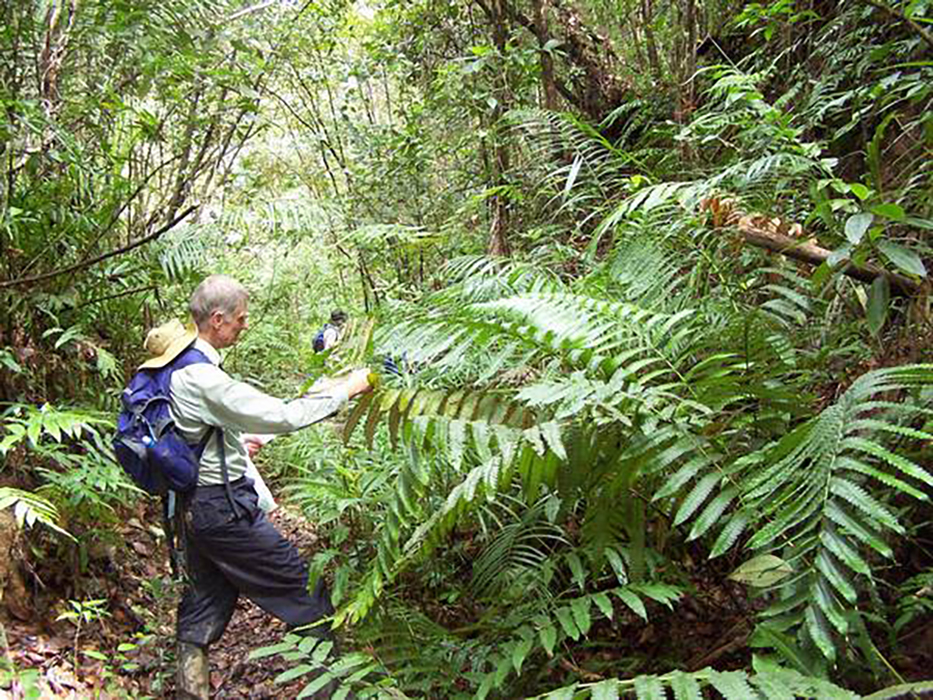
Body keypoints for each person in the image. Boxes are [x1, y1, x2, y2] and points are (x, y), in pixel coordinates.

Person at [152, 275, 371, 699]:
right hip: (223, 510)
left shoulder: (174, 366)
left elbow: (198, 430)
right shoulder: (202, 376)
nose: (245, 325)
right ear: (218, 319)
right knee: (307, 595)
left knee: (203, 605)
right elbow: (284, 415)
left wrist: (237, 442)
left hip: (192, 507)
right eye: (241, 318)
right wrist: (348, 389)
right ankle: (332, 691)